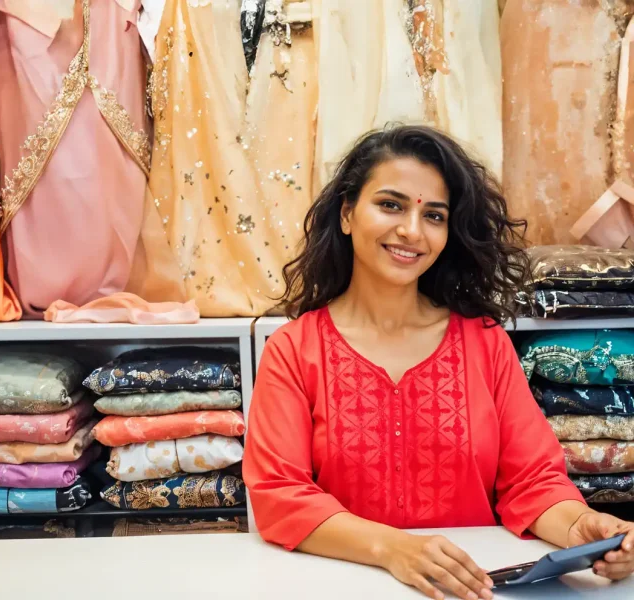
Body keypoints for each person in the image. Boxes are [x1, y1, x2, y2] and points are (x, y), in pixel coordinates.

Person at [243, 125, 634, 600]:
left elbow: (531, 481)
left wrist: (582, 528)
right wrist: (393, 549)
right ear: (347, 214)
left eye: (433, 215)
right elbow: (279, 495)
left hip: (468, 589)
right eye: (391, 205)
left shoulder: (484, 344)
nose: (412, 231)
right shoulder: (294, 350)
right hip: (339, 587)